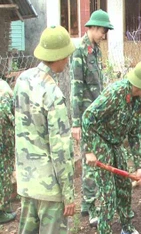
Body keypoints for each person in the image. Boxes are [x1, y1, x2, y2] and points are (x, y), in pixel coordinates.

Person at [82, 61, 141, 234]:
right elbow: (87, 117)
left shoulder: (138, 100)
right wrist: (89, 150)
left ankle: (127, 227)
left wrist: (139, 166)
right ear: (140, 86)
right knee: (108, 194)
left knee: (124, 187)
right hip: (99, 139)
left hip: (115, 142)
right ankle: (104, 230)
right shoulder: (114, 94)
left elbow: (135, 133)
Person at [14, 26, 76, 233]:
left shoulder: (22, 80)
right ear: (58, 56)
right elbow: (60, 150)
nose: (67, 60)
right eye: (66, 56)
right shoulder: (53, 94)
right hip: (49, 188)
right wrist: (68, 194)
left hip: (27, 183)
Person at [70, 9, 114, 225]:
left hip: (97, 114)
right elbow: (76, 88)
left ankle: (87, 205)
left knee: (94, 158)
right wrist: (76, 123)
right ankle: (93, 208)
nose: (104, 35)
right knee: (91, 160)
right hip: (86, 116)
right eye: (102, 31)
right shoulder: (79, 51)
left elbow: (100, 83)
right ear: (93, 28)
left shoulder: (95, 50)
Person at [0, 78, 16, 224]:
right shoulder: (4, 90)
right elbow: (5, 111)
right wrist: (17, 125)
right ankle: (2, 210)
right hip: (3, 137)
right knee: (4, 171)